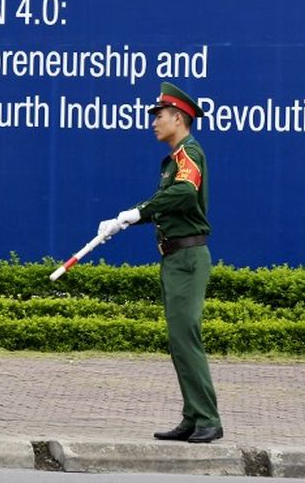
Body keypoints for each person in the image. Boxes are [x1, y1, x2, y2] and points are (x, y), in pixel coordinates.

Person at [96, 81, 223, 444]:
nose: (153, 122)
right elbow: (169, 201)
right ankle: (193, 416)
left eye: (160, 116)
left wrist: (138, 212)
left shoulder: (189, 154)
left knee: (186, 337)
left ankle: (208, 419)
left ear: (179, 119)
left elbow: (183, 193)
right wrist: (129, 218)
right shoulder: (174, 159)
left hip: (187, 257)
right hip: (175, 257)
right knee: (178, 339)